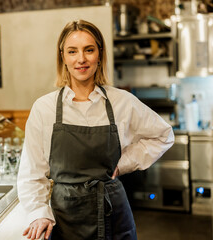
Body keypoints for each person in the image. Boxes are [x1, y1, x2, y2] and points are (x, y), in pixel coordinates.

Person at [17, 19, 174, 240]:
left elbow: (163, 135)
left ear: (99, 54)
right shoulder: (44, 108)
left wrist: (124, 163)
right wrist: (38, 213)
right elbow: (32, 172)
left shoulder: (122, 102)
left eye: (89, 50)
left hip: (113, 214)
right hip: (64, 218)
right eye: (72, 51)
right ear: (63, 56)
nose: (81, 59)